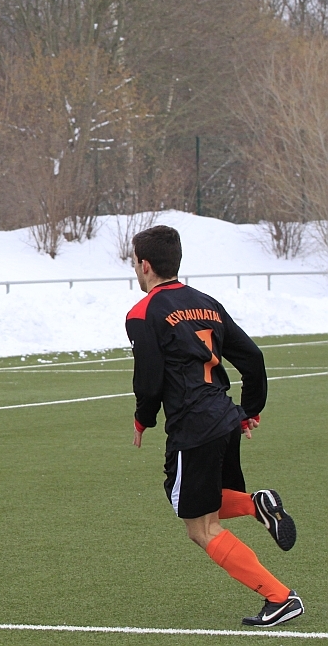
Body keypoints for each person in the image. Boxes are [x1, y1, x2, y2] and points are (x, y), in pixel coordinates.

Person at [125, 225, 302, 628]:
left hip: (194, 426)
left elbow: (148, 380)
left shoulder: (142, 312)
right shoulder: (207, 303)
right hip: (223, 417)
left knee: (201, 527)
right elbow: (252, 358)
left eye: (134, 262)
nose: (134, 268)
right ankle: (256, 505)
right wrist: (249, 410)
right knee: (190, 498)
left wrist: (142, 419)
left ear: (146, 265)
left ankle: (280, 598)